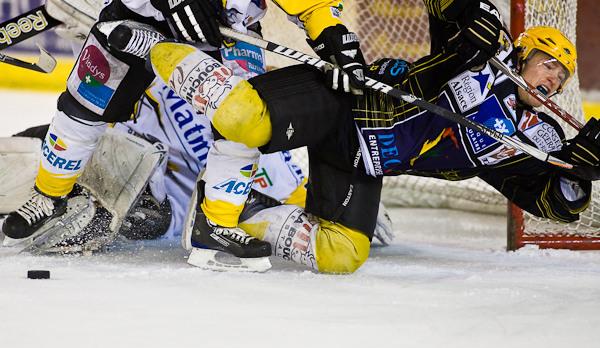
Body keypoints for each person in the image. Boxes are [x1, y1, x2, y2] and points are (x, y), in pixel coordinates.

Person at [147, 0, 600, 274]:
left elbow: (550, 200)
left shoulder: (538, 138)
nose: (551, 81)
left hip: (362, 164)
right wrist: (472, 12)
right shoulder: (484, 52)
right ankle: (149, 46)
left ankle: (246, 215)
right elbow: (448, 11)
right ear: (521, 56)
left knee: (342, 255)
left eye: (561, 78)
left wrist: (578, 175)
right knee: (243, 117)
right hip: (344, 106)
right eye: (546, 65)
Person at [1, 0, 367, 259]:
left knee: (244, 125)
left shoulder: (282, 179)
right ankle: (48, 195)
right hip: (140, 29)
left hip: (229, 37)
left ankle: (216, 225)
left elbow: (312, 5)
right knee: (85, 105)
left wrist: (331, 33)